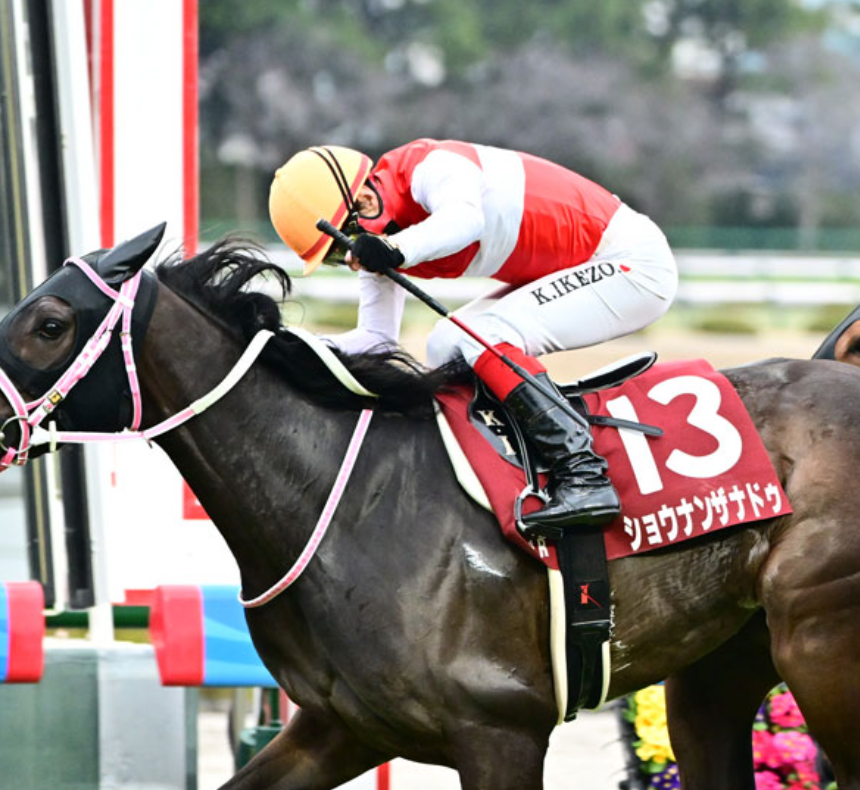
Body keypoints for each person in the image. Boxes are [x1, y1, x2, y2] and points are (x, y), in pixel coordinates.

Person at [268, 140, 679, 534]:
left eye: (338, 247)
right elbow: (377, 340)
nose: (350, 259)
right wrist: (293, 344)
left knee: (484, 335)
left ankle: (584, 476)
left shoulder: (430, 166)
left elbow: (465, 220)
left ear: (363, 202)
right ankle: (509, 468)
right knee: (443, 346)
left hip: (631, 263)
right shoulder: (385, 236)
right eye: (335, 258)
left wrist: (393, 249)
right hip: (582, 266)